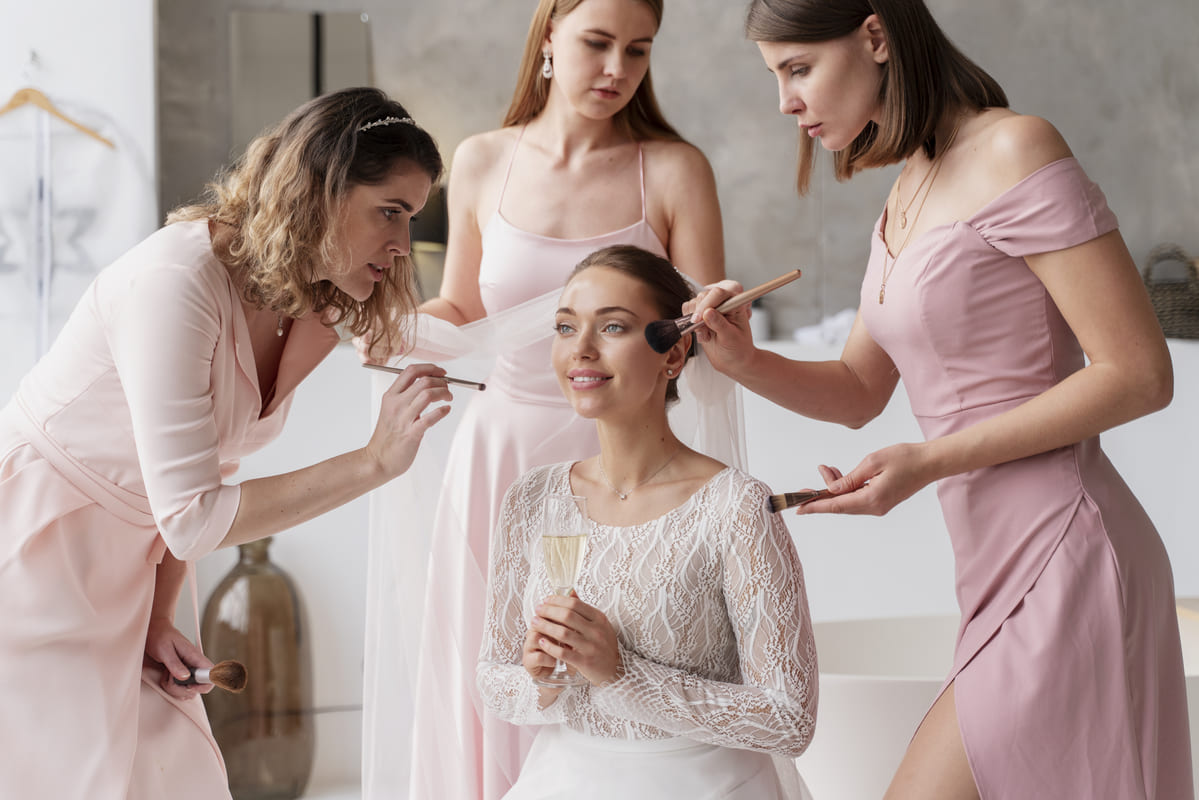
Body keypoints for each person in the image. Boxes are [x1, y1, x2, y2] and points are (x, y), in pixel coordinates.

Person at [687, 1, 1192, 798]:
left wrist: (928, 461)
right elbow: (858, 392)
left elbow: (1137, 373)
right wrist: (740, 358)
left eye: (797, 69)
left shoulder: (1015, 147)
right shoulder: (906, 190)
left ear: (875, 35)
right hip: (990, 566)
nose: (785, 102)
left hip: (1066, 553)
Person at [0, 87, 452, 799]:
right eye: (389, 211)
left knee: (177, 778)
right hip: (38, 552)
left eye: (412, 217)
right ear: (322, 191)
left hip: (135, 565)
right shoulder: (177, 281)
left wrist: (156, 615)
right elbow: (194, 514)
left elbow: (205, 478)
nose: (402, 245)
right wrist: (373, 461)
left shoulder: (312, 307)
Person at [368, 1, 726, 797]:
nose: (616, 70)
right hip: (499, 452)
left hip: (614, 456)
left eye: (637, 51)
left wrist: (706, 320)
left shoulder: (672, 169)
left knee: (602, 657)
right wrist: (392, 326)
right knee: (491, 663)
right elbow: (463, 306)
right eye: (597, 43)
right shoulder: (483, 159)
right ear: (549, 38)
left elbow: (697, 336)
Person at [478, 245, 816, 800]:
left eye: (612, 326)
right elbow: (494, 680)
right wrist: (539, 677)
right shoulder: (532, 498)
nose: (580, 350)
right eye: (565, 327)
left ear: (674, 354)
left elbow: (789, 719)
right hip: (560, 781)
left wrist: (620, 673)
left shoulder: (735, 507)